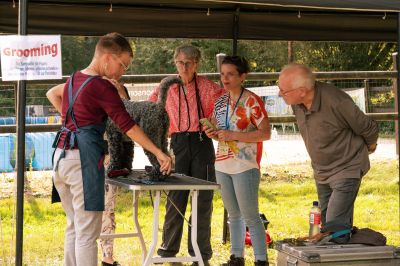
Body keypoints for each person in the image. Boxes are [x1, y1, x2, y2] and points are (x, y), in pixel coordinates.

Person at [46, 32, 171, 266]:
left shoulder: (74, 78)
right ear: (107, 58)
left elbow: (52, 94)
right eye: (122, 65)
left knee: (74, 226)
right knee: (87, 233)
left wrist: (73, 123)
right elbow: (128, 126)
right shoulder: (102, 87)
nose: (122, 71)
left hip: (60, 157)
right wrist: (158, 151)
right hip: (81, 161)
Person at [278, 63, 379, 243]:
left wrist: (369, 147)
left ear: (302, 90)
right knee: (328, 228)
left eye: (283, 91)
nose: (280, 94)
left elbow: (368, 128)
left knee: (334, 226)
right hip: (321, 170)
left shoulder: (337, 101)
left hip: (348, 167)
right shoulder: (297, 103)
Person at [148, 44, 224, 265]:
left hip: (202, 143)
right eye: (180, 62)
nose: (184, 67)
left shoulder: (209, 87)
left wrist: (216, 126)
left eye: (189, 63)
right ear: (175, 62)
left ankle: (201, 256)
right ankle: (168, 253)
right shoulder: (166, 86)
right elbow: (151, 108)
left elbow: (222, 111)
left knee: (203, 200)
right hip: (177, 142)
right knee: (175, 198)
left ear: (196, 64)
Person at [203, 56, 271, 266]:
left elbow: (265, 133)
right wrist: (211, 132)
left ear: (243, 76)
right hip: (222, 164)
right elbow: (218, 130)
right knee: (233, 215)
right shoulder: (221, 101)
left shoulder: (251, 100)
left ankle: (261, 259)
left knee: (250, 215)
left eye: (231, 74)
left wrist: (234, 135)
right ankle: (237, 256)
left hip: (245, 165)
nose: (225, 78)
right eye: (223, 74)